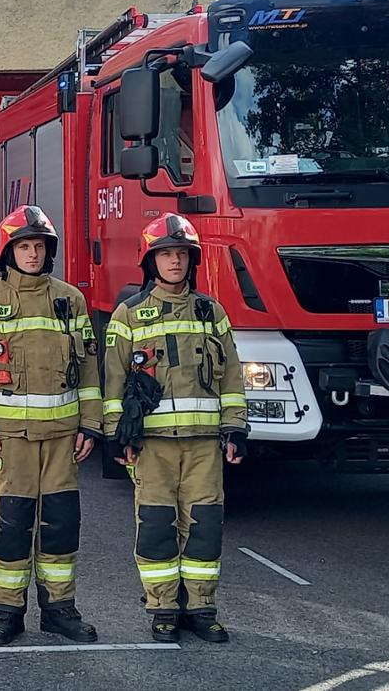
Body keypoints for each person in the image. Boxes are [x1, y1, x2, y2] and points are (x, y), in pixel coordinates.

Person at [0, 205, 103, 646]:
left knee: (61, 525)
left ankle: (60, 609)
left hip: (63, 438)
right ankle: (8, 612)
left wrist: (91, 425)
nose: (33, 254)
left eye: (39, 246)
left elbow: (90, 366)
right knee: (13, 525)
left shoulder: (70, 300)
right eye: (24, 246)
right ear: (8, 252)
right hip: (11, 440)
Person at [101, 213, 248, 644]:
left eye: (182, 254)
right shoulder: (128, 315)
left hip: (204, 444)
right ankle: (162, 608)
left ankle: (201, 608)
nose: (174, 262)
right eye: (165, 254)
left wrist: (235, 429)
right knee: (156, 526)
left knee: (205, 526)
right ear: (150, 261)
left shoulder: (211, 312)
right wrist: (116, 434)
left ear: (192, 260)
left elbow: (232, 377)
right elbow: (112, 381)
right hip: (153, 445)